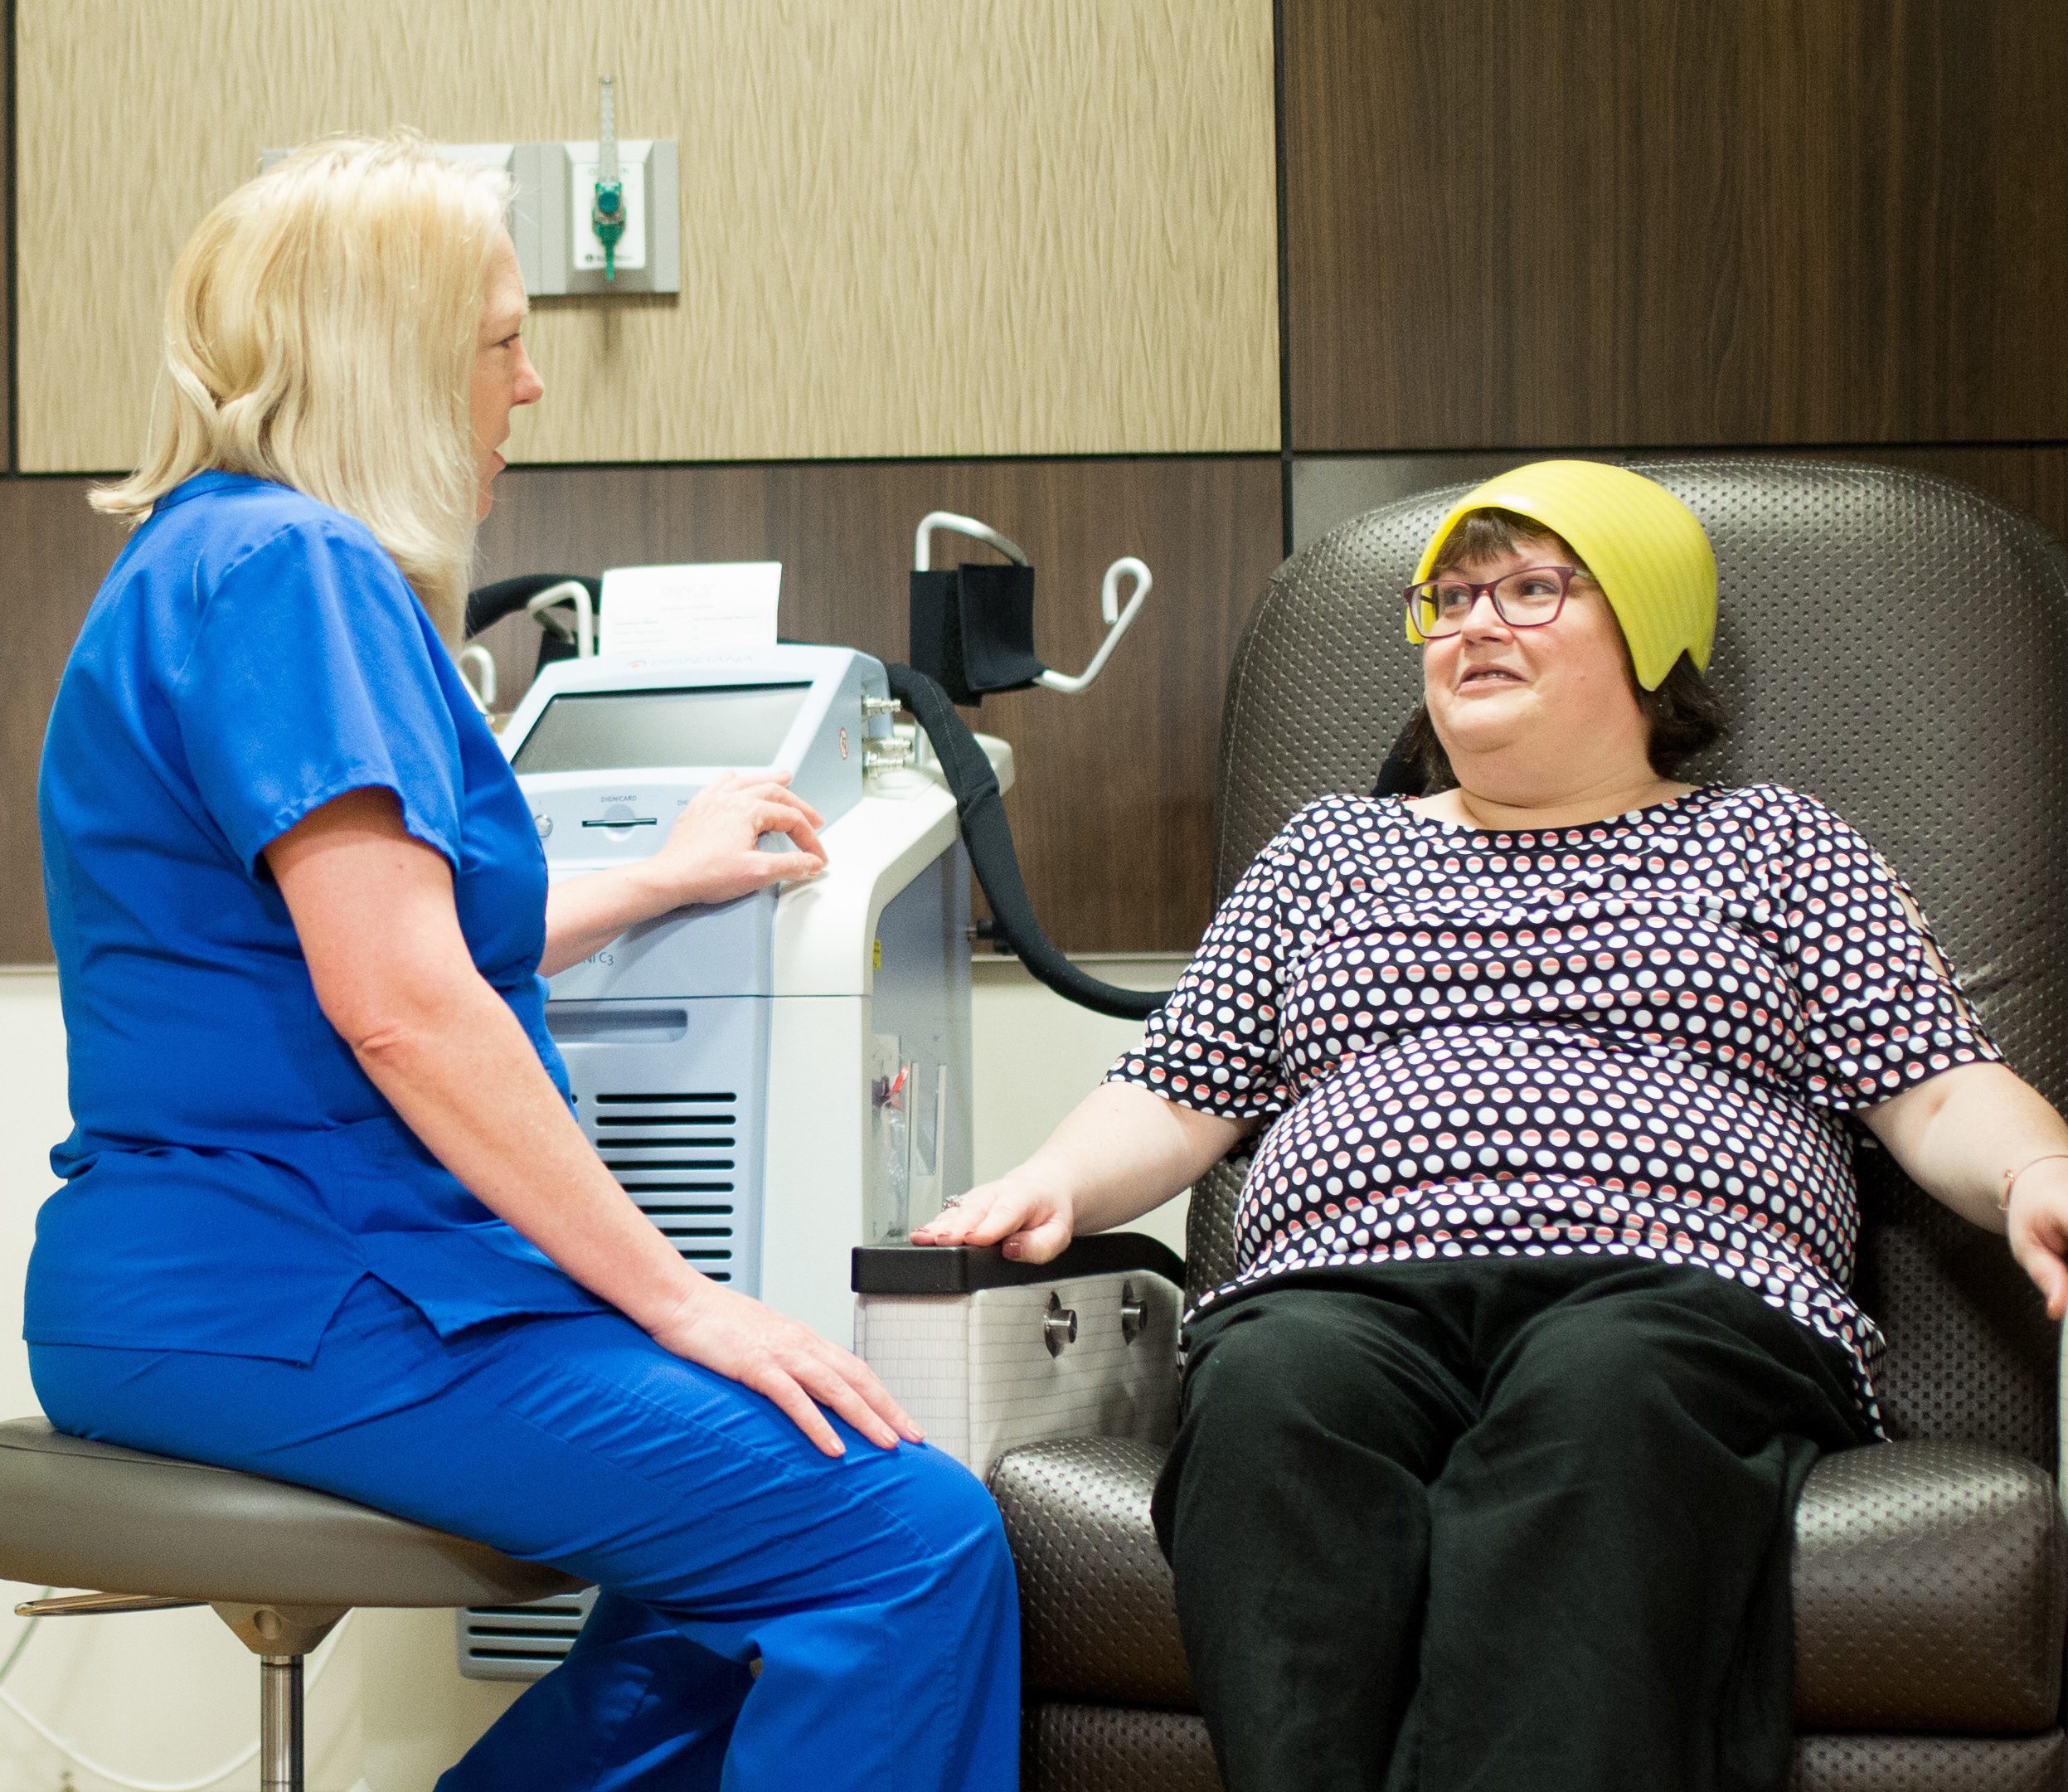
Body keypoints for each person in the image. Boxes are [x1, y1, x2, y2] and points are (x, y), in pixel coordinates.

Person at [28, 134, 1017, 1792]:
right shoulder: (297, 571)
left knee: (713, 1579)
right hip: (294, 1292)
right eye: (498, 339)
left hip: (231, 1286)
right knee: (900, 1530)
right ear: (388, 359)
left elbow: (397, 926)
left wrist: (648, 879)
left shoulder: (215, 562)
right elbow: (405, 1005)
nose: (530, 379)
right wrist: (684, 1297)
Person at [914, 459, 2068, 1792]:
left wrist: (2033, 1165)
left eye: (1530, 589)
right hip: (1338, 1295)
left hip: (1676, 1295)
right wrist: (1051, 1180)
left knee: (1600, 1398)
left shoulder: (1777, 847)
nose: (1473, 623)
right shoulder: (1325, 854)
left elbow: (1931, 1082)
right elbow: (1178, 1090)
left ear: (1647, 639)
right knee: (1272, 1397)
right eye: (1450, 597)